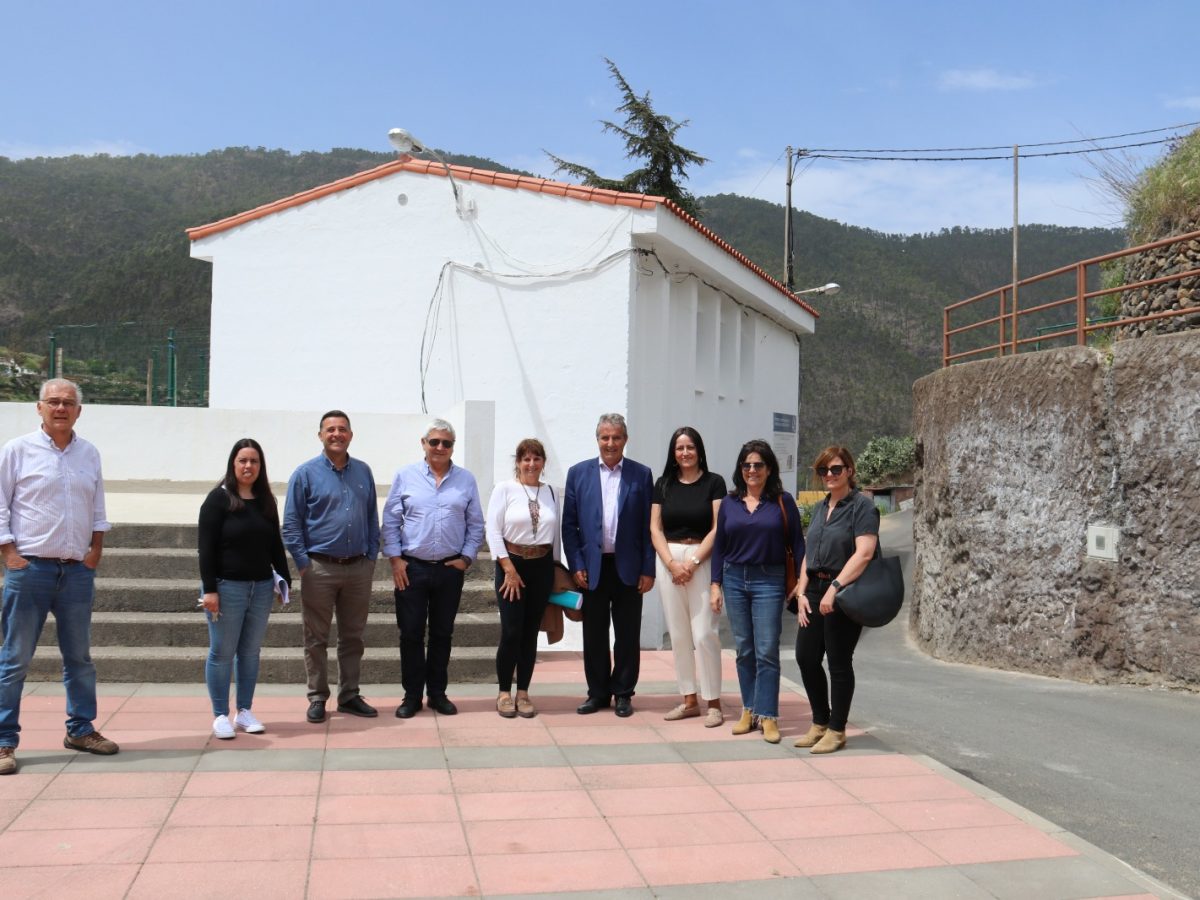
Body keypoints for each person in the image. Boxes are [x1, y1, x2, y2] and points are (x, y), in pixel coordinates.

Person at [0, 379, 117, 775]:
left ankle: (81, 729)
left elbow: (97, 505)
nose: (61, 408)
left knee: (79, 658)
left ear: (79, 411)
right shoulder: (17, 451)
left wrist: (95, 549)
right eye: (54, 402)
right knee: (14, 660)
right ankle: (3, 742)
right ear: (39, 408)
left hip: (76, 572)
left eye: (68, 402)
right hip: (30, 569)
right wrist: (9, 553)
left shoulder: (89, 454)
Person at [283, 410, 380, 724]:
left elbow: (371, 520)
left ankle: (349, 695)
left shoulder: (363, 472)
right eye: (330, 429)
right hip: (319, 568)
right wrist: (302, 563)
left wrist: (370, 558)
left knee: (353, 637)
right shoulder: (305, 473)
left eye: (342, 429)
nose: (336, 434)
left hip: (358, 569)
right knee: (315, 638)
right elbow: (291, 524)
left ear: (351, 434)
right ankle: (317, 697)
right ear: (320, 435)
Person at [383, 419, 484, 718]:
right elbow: (390, 521)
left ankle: (437, 694)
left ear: (453, 446)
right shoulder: (405, 475)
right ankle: (412, 696)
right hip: (411, 569)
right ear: (423, 443)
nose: (440, 447)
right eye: (435, 442)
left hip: (449, 569)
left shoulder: (466, 480)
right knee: (411, 634)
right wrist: (395, 559)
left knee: (443, 634)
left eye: (447, 443)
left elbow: (476, 524)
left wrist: (466, 558)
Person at [709, 439, 804, 744]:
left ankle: (769, 715)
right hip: (734, 578)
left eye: (758, 465)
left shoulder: (782, 501)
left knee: (767, 649)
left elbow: (798, 542)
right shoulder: (730, 503)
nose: (752, 470)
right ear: (740, 469)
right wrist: (715, 584)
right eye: (747, 465)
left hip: (769, 579)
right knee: (744, 649)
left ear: (769, 468)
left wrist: (802, 581)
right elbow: (720, 546)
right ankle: (749, 710)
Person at [562, 413, 655, 718]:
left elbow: (648, 526)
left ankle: (624, 693)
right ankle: (598, 693)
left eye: (616, 437)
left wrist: (648, 568)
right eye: (605, 437)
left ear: (625, 440)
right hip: (592, 568)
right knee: (594, 633)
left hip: (628, 568)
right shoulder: (578, 473)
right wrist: (575, 564)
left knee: (627, 634)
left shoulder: (641, 475)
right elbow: (570, 526)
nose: (610, 443)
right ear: (597, 439)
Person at [199, 439, 291, 739]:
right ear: (233, 464)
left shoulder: (266, 501)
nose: (248, 466)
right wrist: (210, 590)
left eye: (254, 461)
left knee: (250, 653)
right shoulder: (218, 500)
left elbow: (275, 544)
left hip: (261, 587)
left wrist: (284, 581)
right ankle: (220, 715)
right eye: (243, 461)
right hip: (227, 588)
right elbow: (206, 549)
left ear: (260, 466)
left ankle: (245, 711)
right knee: (222, 653)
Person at [790, 446, 879, 754]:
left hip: (845, 592)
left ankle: (837, 729)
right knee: (805, 657)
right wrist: (801, 591)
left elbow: (864, 553)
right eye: (823, 471)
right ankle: (819, 721)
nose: (829, 475)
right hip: (814, 590)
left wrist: (836, 587)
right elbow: (808, 552)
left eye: (836, 469)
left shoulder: (861, 507)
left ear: (849, 471)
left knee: (839, 662)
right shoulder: (820, 507)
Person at [650, 427, 726, 727]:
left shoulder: (714, 483)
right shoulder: (663, 484)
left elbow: (718, 527)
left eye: (690, 447)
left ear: (699, 450)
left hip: (701, 559)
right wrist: (671, 563)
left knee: (705, 633)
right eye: (679, 448)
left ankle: (714, 702)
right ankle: (689, 699)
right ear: (673, 452)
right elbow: (655, 528)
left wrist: (692, 563)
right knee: (679, 635)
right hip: (669, 561)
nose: (685, 453)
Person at [485, 438, 559, 719]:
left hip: (542, 566)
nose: (531, 464)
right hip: (511, 565)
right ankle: (504, 692)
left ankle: (524, 692)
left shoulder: (551, 492)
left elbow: (556, 534)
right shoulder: (504, 489)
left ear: (543, 463)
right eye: (526, 459)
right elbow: (492, 531)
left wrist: (556, 571)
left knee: (530, 633)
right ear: (517, 462)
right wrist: (508, 568)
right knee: (512, 631)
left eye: (536, 458)